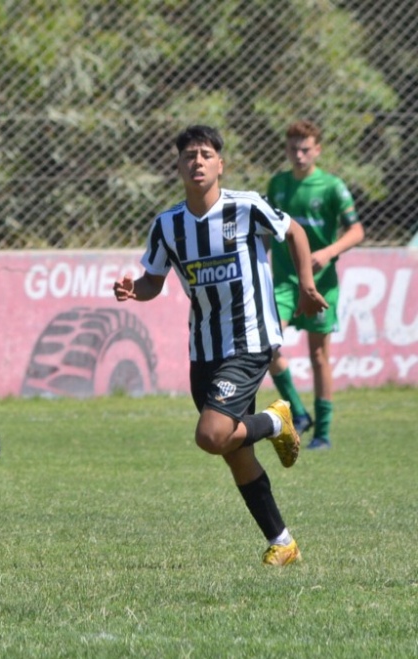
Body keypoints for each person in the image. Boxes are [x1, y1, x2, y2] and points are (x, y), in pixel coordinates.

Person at [113, 125, 328, 566]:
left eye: (206, 154)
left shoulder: (246, 207)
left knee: (212, 435)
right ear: (178, 166)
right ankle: (283, 541)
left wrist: (306, 285)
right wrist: (137, 290)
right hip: (204, 349)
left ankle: (274, 419)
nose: (197, 161)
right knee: (233, 450)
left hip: (250, 341)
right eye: (189, 155)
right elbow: (155, 279)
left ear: (220, 164)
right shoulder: (168, 225)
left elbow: (296, 233)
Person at [267, 120, 365, 451]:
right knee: (265, 344)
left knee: (319, 356)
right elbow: (266, 231)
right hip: (283, 283)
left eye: (305, 148)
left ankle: (322, 432)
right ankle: (297, 410)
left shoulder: (332, 187)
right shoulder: (277, 185)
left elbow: (356, 231)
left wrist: (329, 251)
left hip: (321, 283)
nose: (299, 154)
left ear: (317, 150)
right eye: (293, 148)